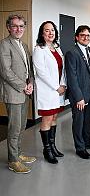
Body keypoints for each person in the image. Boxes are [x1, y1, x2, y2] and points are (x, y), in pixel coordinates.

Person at [0, 14, 36, 173]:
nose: (18, 29)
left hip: (24, 91)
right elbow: (5, 71)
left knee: (21, 126)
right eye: (15, 26)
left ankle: (18, 153)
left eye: (21, 26)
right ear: (8, 27)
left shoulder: (24, 45)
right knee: (14, 128)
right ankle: (13, 161)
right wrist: (23, 86)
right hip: (14, 93)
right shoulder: (4, 44)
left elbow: (29, 69)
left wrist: (31, 84)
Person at [65, 25, 90, 160]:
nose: (86, 37)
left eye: (88, 35)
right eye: (82, 35)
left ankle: (87, 141)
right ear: (77, 37)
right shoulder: (72, 53)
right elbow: (72, 77)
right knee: (79, 121)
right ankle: (80, 148)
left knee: (89, 119)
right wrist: (79, 97)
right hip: (79, 95)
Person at [33, 21, 66, 164]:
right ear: (42, 33)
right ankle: (47, 150)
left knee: (54, 118)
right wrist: (56, 87)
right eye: (47, 30)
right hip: (48, 91)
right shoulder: (39, 50)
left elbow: (63, 68)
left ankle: (53, 146)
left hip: (59, 89)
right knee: (47, 119)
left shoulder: (57, 48)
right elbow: (41, 73)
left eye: (52, 30)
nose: (50, 33)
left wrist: (63, 84)